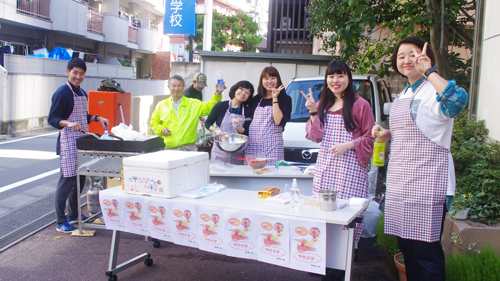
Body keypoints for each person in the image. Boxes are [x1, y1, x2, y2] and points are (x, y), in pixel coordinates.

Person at [372, 37, 467, 281]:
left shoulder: (434, 89)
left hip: (428, 180)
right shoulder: (404, 93)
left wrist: (431, 72)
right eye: (401, 55)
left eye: (413, 54)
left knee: (426, 254)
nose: (406, 60)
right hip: (401, 181)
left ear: (426, 59)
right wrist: (387, 134)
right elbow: (418, 129)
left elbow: (457, 101)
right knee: (409, 251)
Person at [303, 61, 374, 280]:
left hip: (350, 170)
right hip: (326, 168)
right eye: (331, 76)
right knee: (323, 215)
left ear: (349, 79)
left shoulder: (361, 105)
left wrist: (349, 145)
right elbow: (315, 137)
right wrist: (314, 113)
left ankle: (343, 264)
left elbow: (371, 136)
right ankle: (322, 262)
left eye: (340, 76)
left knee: (346, 216)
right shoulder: (323, 104)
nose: (335, 81)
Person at [48, 58, 109, 233]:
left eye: (81, 73)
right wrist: (68, 123)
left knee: (80, 180)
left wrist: (97, 118)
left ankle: (73, 214)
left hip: (81, 141)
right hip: (68, 141)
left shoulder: (81, 92)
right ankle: (61, 221)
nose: (78, 76)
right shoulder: (62, 93)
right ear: (67, 72)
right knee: (66, 182)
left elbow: (83, 115)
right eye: (75, 72)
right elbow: (52, 118)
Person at [150, 75, 223, 150]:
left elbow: (210, 107)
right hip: (169, 149)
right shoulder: (161, 105)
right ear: (169, 87)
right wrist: (161, 129)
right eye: (173, 86)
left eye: (179, 86)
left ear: (183, 87)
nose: (176, 88)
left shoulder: (193, 104)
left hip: (189, 148)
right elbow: (153, 122)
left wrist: (217, 94)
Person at [244, 66, 292, 166]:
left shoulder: (285, 99)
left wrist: (275, 98)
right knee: (251, 175)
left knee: (271, 174)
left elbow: (278, 121)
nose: (269, 81)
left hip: (272, 146)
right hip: (253, 146)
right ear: (261, 81)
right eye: (266, 78)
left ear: (278, 79)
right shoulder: (256, 99)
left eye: (273, 78)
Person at [205, 81, 254, 164]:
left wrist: (238, 126)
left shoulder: (248, 111)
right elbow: (208, 123)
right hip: (219, 151)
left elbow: (246, 133)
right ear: (235, 89)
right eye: (241, 89)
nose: (243, 93)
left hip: (237, 152)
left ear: (249, 97)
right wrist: (215, 130)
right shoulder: (221, 106)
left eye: (247, 92)